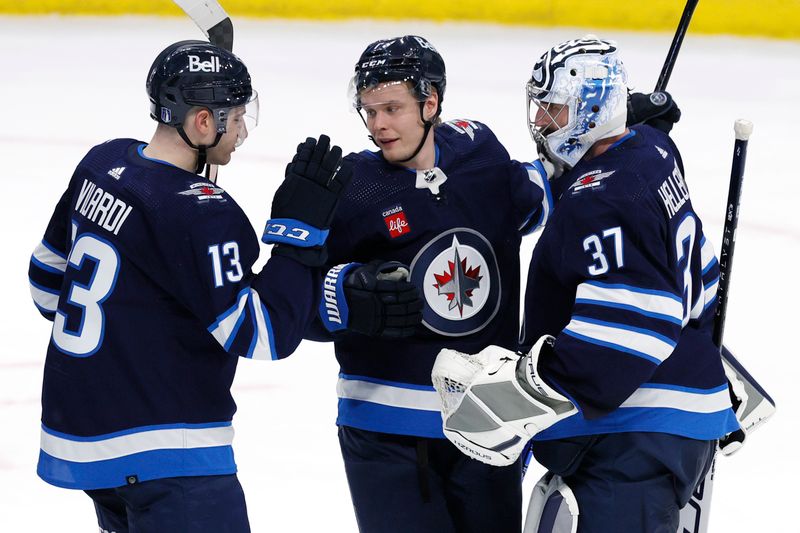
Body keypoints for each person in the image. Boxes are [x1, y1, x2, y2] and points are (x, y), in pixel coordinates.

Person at [308, 35, 680, 533]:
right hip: (385, 434)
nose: (378, 125)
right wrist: (344, 294)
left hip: (490, 423)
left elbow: (549, 187)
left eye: (392, 108)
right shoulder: (353, 186)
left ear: (430, 102)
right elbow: (290, 309)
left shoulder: (479, 154)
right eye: (369, 111)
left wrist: (617, 135)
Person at [26, 40, 352, 532]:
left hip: (87, 442)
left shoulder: (102, 164)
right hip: (169, 454)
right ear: (203, 122)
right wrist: (295, 239)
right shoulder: (202, 214)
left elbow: (45, 285)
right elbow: (261, 334)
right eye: (237, 117)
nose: (242, 131)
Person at [431, 36, 739, 533]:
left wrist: (525, 390)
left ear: (593, 110)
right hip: (670, 418)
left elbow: (634, 332)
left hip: (634, 429)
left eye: (553, 108)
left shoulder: (602, 201)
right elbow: (689, 279)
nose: (539, 122)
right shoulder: (651, 148)